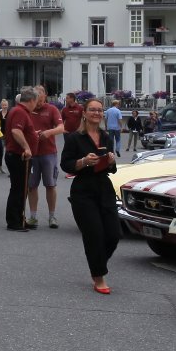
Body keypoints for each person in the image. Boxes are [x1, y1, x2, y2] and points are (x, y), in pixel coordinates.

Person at [60, 98, 120, 294]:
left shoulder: (106, 136)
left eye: (99, 110)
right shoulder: (74, 138)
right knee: (94, 234)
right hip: (83, 190)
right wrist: (84, 162)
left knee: (114, 234)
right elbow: (66, 164)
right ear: (84, 113)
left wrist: (111, 161)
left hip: (104, 187)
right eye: (92, 110)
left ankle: (97, 263)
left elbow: (112, 169)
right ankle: (99, 276)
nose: (96, 113)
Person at [26, 84, 65, 228]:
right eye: (36, 99)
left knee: (50, 185)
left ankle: (52, 216)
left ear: (45, 96)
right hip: (31, 153)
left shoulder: (52, 109)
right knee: (32, 186)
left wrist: (49, 132)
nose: (38, 102)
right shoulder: (28, 110)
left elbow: (61, 128)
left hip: (48, 153)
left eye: (40, 99)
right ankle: (33, 217)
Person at [4, 89, 38, 231]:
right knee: (18, 189)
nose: (36, 105)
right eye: (36, 102)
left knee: (21, 189)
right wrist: (27, 147)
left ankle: (19, 218)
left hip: (18, 155)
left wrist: (32, 135)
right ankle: (14, 221)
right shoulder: (20, 112)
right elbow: (16, 131)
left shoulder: (19, 111)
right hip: (18, 155)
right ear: (31, 100)